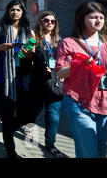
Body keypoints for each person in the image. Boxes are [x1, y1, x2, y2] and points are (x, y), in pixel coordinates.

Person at [0, 0, 37, 158]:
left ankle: (9, 129)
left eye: (18, 10)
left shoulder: (29, 32)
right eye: (12, 9)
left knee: (26, 115)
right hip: (3, 79)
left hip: (22, 79)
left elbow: (32, 56)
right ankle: (10, 150)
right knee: (7, 116)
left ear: (23, 12)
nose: (15, 12)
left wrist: (26, 52)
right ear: (8, 11)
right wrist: (0, 48)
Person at [55, 1, 107, 158]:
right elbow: (59, 73)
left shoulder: (106, 43)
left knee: (101, 150)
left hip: (105, 101)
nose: (98, 21)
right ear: (81, 19)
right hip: (79, 101)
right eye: (93, 17)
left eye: (101, 17)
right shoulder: (69, 43)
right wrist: (81, 66)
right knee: (88, 151)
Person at [32, 11, 67, 158]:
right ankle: (29, 124)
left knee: (53, 115)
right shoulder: (34, 38)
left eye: (53, 21)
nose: (49, 23)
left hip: (55, 82)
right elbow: (21, 54)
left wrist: (64, 72)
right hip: (37, 80)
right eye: (46, 20)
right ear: (40, 22)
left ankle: (50, 143)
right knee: (34, 109)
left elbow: (67, 58)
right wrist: (34, 62)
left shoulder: (60, 40)